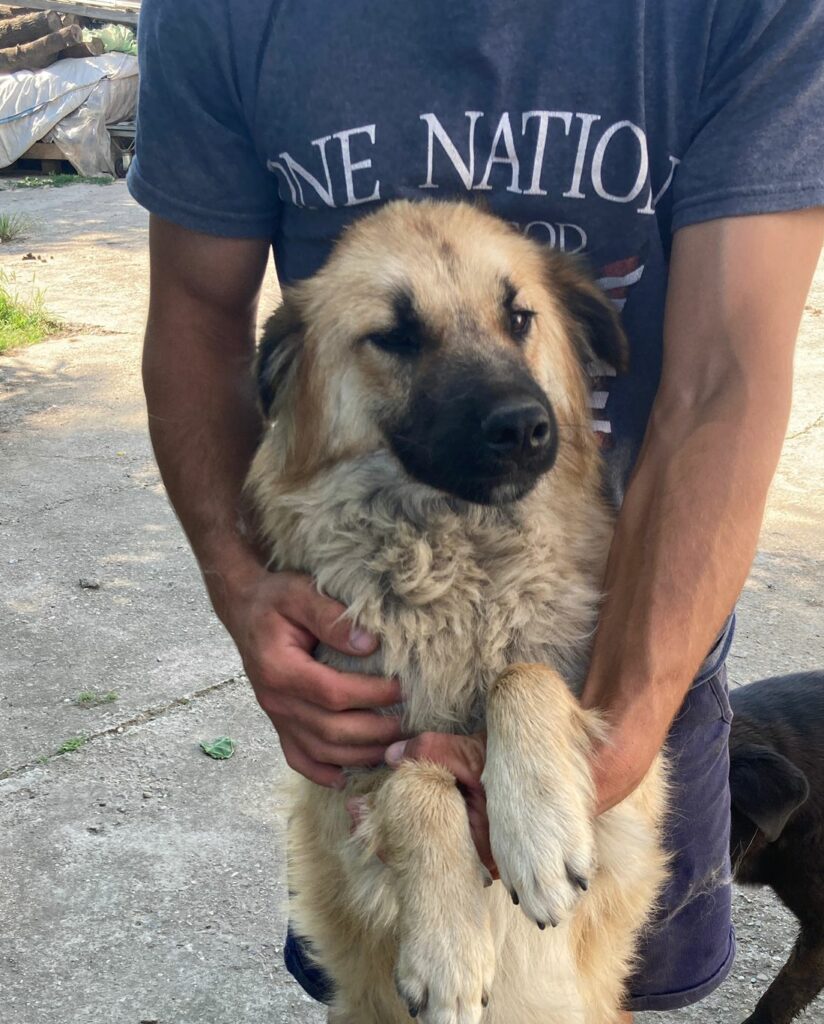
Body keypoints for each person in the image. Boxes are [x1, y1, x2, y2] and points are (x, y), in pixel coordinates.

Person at [128, 1, 824, 1018]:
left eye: (514, 323)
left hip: (640, 596)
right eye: (400, 337)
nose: (510, 406)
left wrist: (617, 728)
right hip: (354, 598)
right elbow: (196, 313)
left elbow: (725, 374)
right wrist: (242, 584)